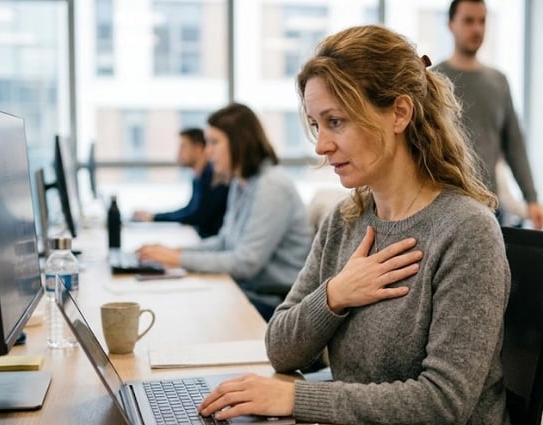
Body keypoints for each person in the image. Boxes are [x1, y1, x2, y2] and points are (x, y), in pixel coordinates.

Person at [198, 25, 510, 425]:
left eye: (336, 122)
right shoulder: (345, 221)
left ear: (399, 113)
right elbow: (280, 348)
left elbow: (443, 404)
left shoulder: (466, 231)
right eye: (316, 124)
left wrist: (298, 399)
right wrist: (335, 294)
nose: (321, 145)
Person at [136, 104, 312, 321]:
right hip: (247, 292)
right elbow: (224, 241)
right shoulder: (241, 183)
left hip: (275, 304)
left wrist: (178, 258)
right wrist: (177, 251)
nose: (207, 152)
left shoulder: (272, 187)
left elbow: (245, 263)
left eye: (214, 142)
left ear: (240, 142)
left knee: (186, 314)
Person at [433, 0, 543, 229]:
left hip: (489, 205)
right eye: (468, 21)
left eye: (482, 21)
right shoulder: (434, 80)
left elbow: (515, 145)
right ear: (450, 25)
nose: (477, 29)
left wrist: (531, 198)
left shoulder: (498, 82)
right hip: (443, 204)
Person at [132, 128, 228, 238]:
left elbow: (195, 216)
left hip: (211, 242)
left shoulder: (215, 177)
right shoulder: (198, 177)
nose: (178, 153)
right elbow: (189, 210)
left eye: (183, 147)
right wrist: (154, 217)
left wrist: (155, 217)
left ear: (199, 148)